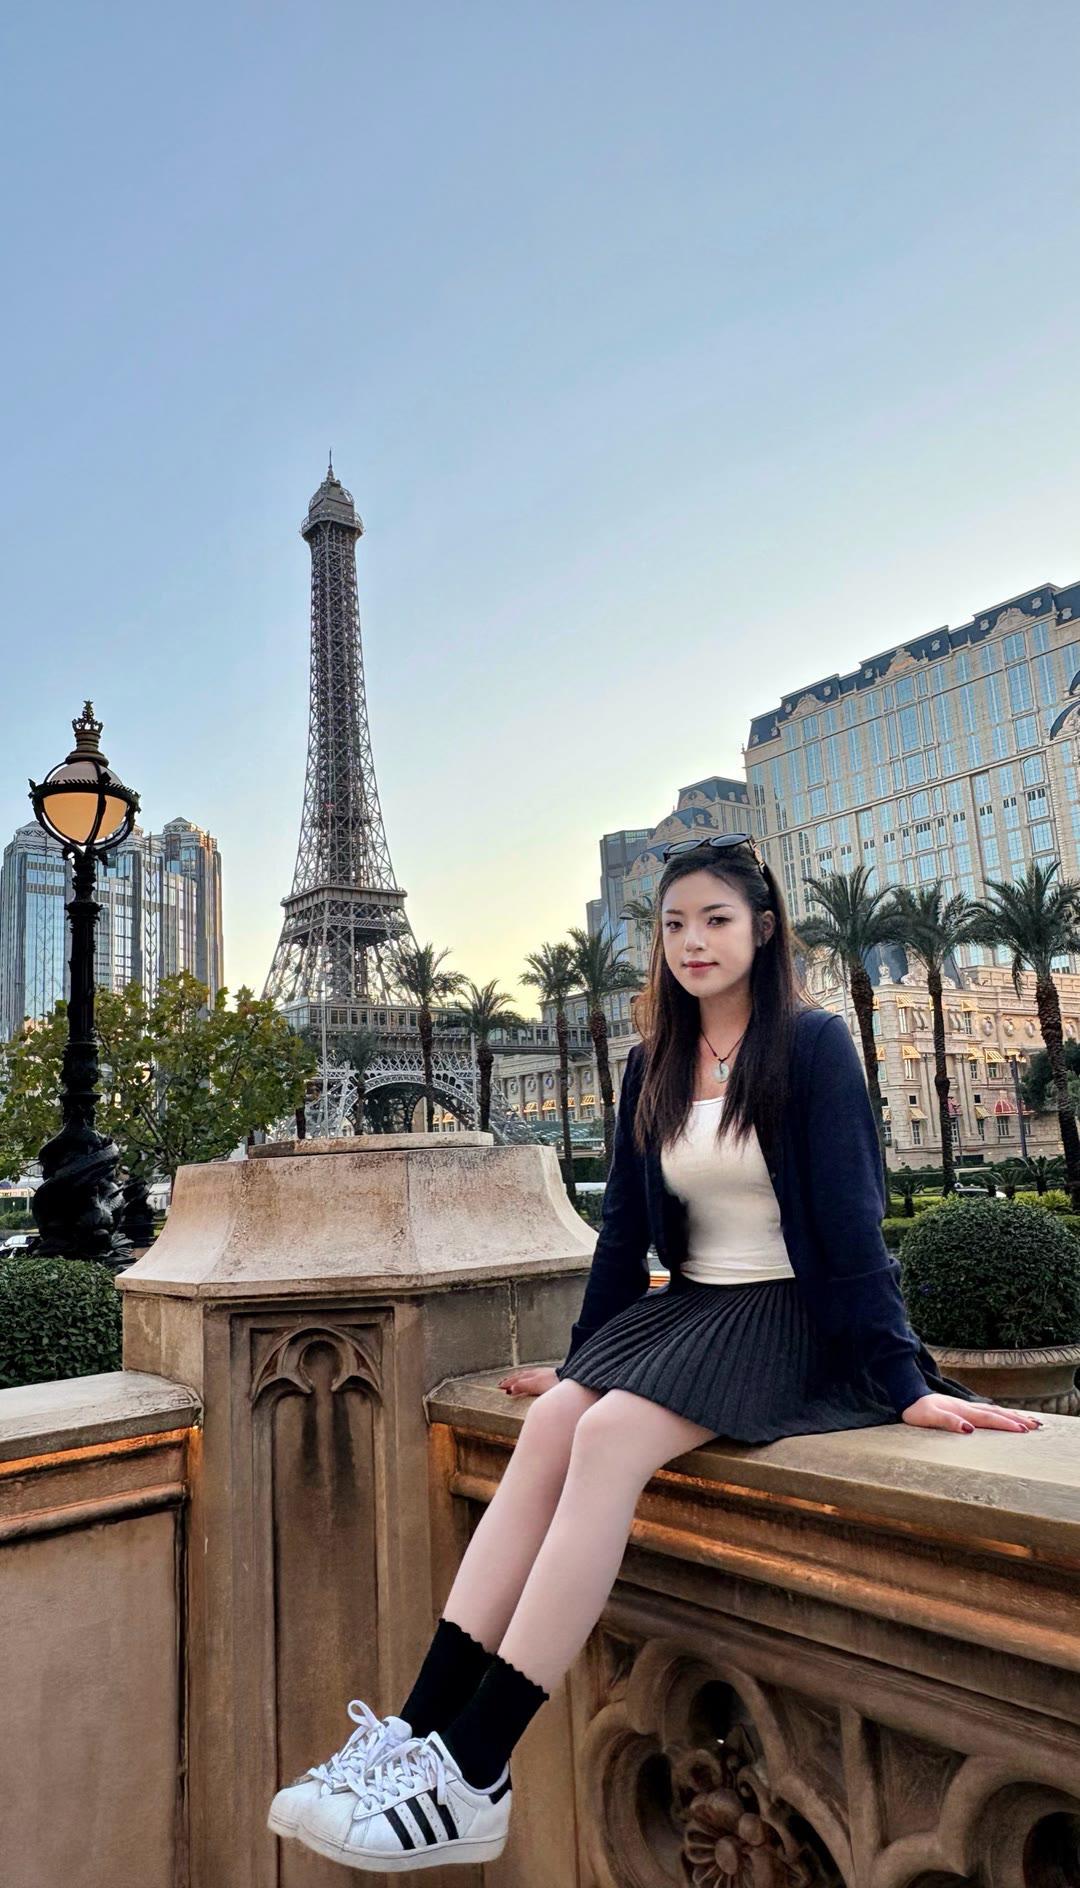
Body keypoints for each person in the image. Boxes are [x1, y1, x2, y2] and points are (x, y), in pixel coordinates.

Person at [269, 832, 1042, 1872]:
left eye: (716, 919)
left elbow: (855, 1226)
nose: (693, 941)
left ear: (763, 927)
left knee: (611, 1438)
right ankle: (415, 1730)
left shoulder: (812, 1044)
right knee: (558, 1418)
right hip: (690, 1311)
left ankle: (478, 1767)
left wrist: (904, 1383)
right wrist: (582, 1361)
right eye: (675, 924)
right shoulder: (654, 1059)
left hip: (790, 1317)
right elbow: (623, 1233)